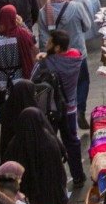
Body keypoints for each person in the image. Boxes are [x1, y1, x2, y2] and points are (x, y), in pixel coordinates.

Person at [33, 28, 86, 188]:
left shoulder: (47, 62)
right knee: (72, 141)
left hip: (53, 110)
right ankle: (78, 176)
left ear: (56, 47)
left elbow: (32, 81)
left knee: (51, 144)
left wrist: (42, 57)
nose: (46, 44)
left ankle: (56, 180)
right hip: (70, 107)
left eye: (50, 42)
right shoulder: (77, 57)